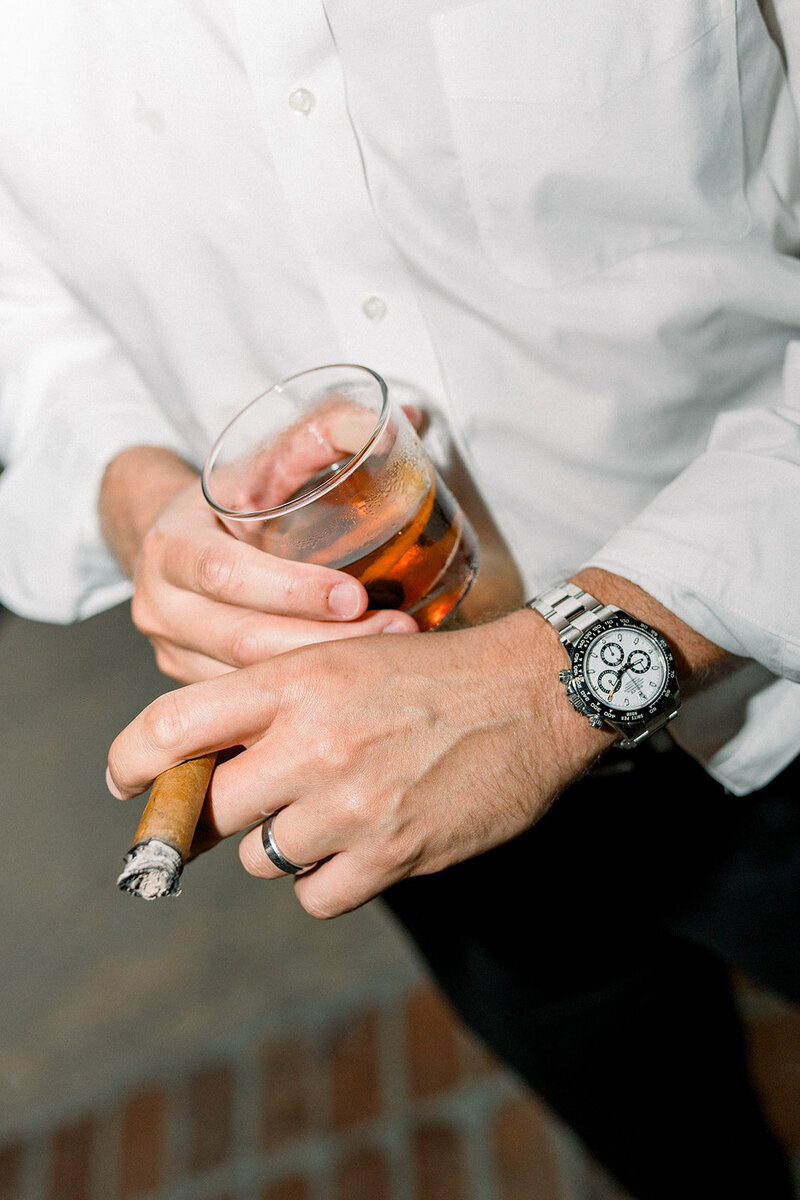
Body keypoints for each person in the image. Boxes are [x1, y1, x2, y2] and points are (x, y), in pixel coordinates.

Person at [2, 2, 799, 1195]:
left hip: (773, 702)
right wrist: (135, 493)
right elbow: (24, 306)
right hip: (392, 793)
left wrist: (551, 683)